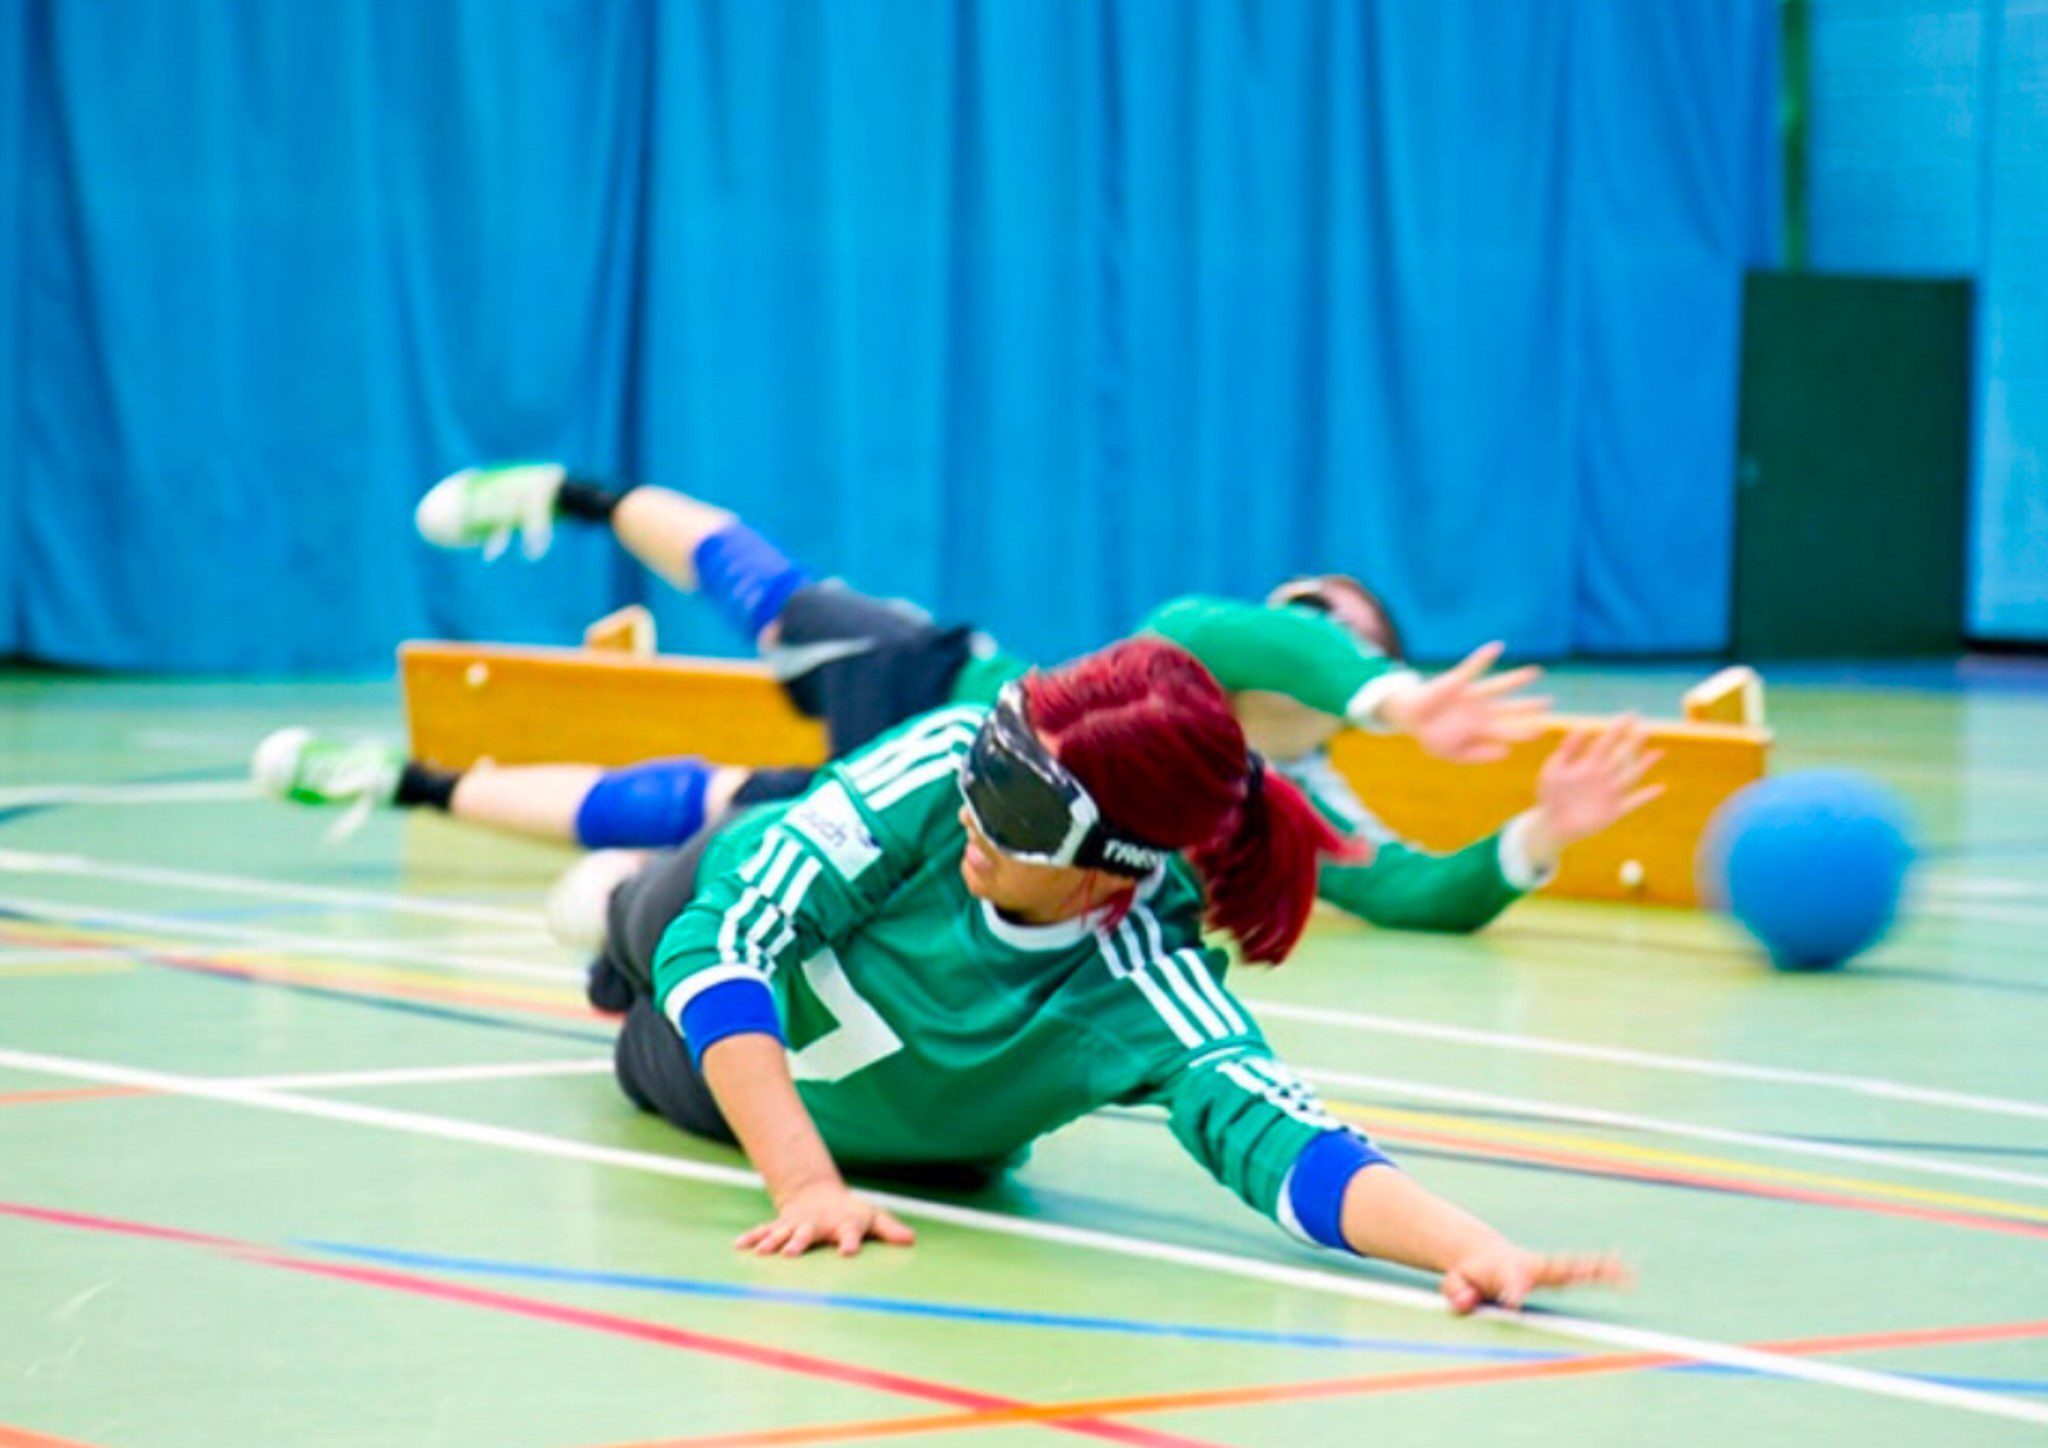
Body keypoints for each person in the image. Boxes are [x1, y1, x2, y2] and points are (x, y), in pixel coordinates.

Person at [584, 631, 1629, 1310]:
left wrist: (1471, 1243)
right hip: (722, 952)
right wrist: (806, 1183)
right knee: (637, 920)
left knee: (636, 1045)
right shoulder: (939, 770)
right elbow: (724, 938)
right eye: (991, 757)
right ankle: (599, 908)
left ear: (1111, 875)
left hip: (737, 1099)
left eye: (1023, 807)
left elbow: (1276, 1134)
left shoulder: (1139, 985)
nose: (974, 808)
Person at [255, 464, 1661, 933]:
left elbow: (1418, 899)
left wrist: (1537, 836)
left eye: (1345, 623)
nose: (1314, 627)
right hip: (940, 687)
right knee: (759, 579)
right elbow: (1245, 632)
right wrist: (1404, 697)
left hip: (939, 801)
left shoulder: (1273, 804)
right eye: (1308, 613)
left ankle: (401, 784)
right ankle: (573, 495)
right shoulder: (1211, 652)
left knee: (667, 809)